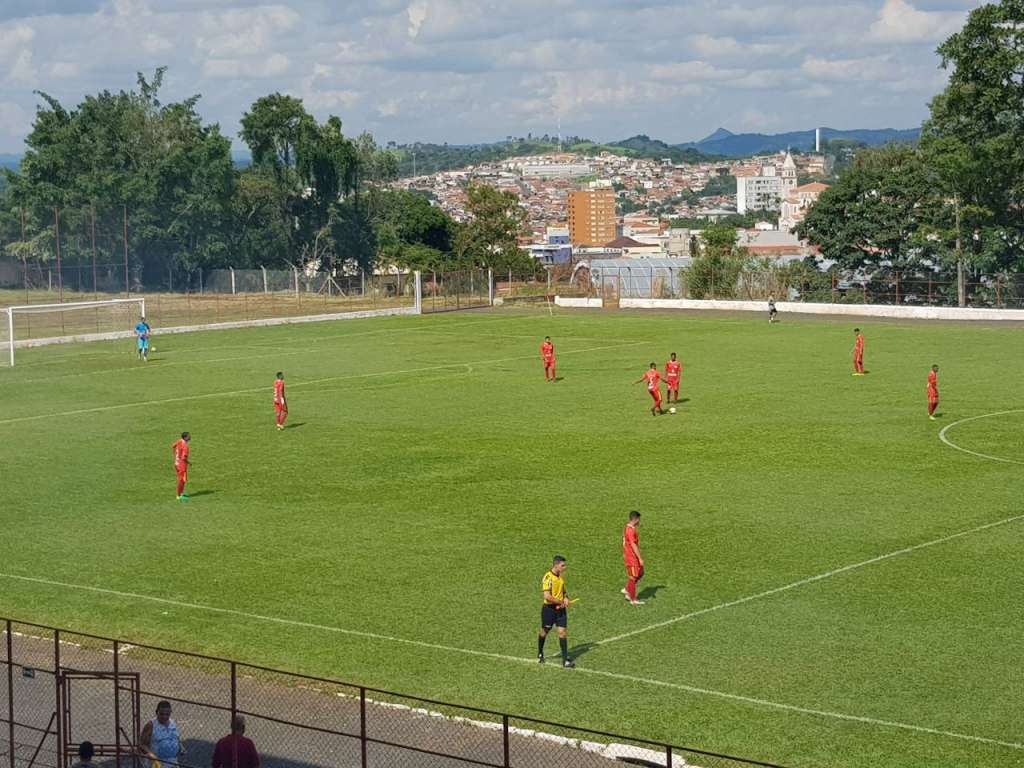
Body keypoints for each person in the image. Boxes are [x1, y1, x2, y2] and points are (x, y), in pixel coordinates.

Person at [538, 555, 575, 668]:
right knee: (544, 631)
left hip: (560, 610)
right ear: (556, 565)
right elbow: (547, 596)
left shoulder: (560, 576)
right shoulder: (548, 578)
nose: (565, 567)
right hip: (549, 610)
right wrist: (560, 602)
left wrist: (566, 598)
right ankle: (540, 653)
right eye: (563, 565)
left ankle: (565, 660)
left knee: (562, 633)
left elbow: (563, 590)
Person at [140, 701, 184, 768]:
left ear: (170, 713)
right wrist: (150, 754)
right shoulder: (151, 725)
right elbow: (142, 744)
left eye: (167, 714)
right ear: (156, 712)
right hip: (157, 763)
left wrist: (180, 746)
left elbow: (176, 737)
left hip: (173, 762)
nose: (164, 716)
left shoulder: (173, 723)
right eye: (161, 714)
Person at [621, 511, 645, 606]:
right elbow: (633, 544)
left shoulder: (628, 528)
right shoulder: (630, 530)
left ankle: (627, 589)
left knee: (641, 572)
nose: (640, 521)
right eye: (639, 519)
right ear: (636, 519)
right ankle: (633, 599)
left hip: (631, 555)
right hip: (631, 557)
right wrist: (640, 558)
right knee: (633, 576)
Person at [173, 432, 191, 501]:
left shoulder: (179, 441)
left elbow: (173, 446)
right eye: (189, 436)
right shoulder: (185, 446)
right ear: (185, 437)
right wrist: (189, 462)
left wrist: (176, 455)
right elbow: (184, 458)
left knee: (183, 479)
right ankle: (178, 496)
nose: (190, 437)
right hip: (182, 465)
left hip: (176, 463)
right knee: (181, 480)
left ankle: (181, 493)